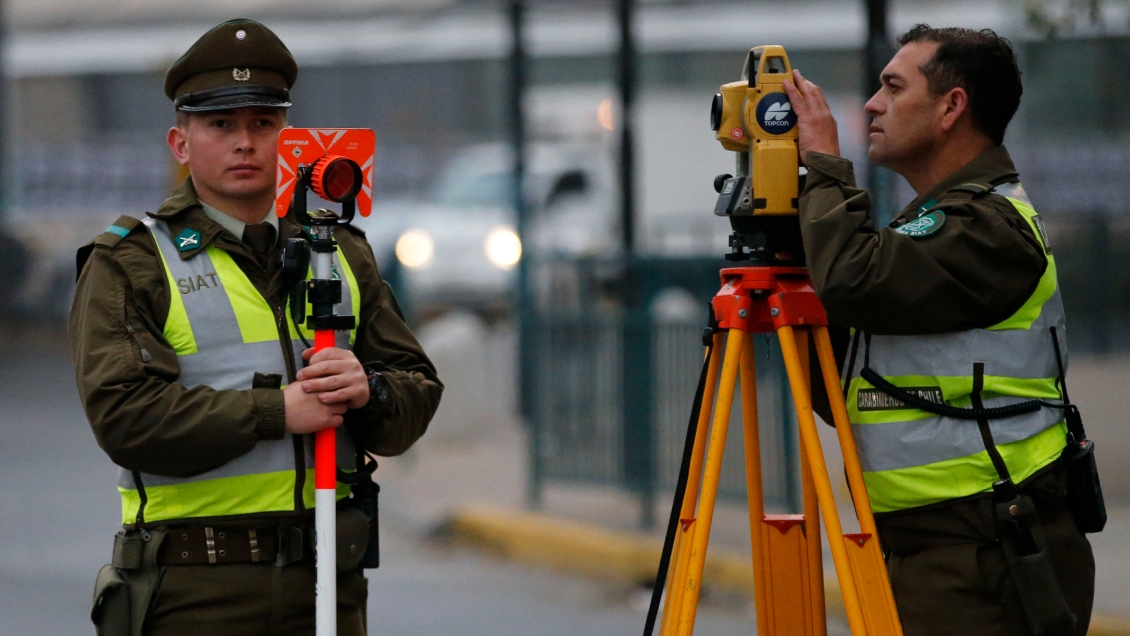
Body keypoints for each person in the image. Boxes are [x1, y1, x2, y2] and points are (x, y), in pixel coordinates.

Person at [69, 18, 442, 636]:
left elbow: (417, 392)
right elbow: (124, 419)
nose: (245, 142)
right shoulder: (133, 261)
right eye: (221, 125)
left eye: (262, 124)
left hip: (328, 586)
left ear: (286, 135)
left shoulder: (338, 249)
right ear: (181, 144)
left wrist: (368, 390)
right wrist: (277, 411)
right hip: (192, 591)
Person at [783, 25, 1095, 636]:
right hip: (935, 554)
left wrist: (823, 164)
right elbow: (850, 388)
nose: (872, 105)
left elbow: (853, 280)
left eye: (893, 88)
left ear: (952, 107)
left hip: (993, 558)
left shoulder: (990, 228)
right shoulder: (930, 225)